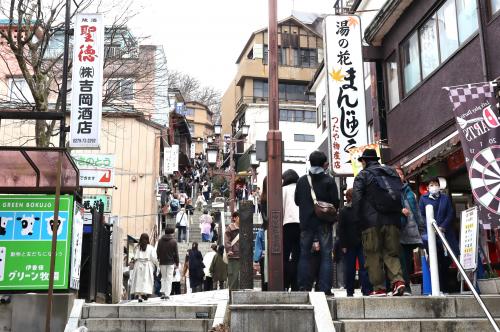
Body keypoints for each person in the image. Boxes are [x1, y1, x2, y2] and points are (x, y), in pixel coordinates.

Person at [352, 148, 405, 297]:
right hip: (393, 220)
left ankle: (379, 288)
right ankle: (398, 281)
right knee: (392, 253)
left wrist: (357, 222)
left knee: (373, 254)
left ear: (364, 161)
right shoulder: (391, 172)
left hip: (371, 223)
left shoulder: (363, 175)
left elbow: (356, 200)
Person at [295, 151, 339, 295]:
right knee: (326, 254)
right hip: (324, 223)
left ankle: (303, 287)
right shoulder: (329, 180)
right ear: (324, 164)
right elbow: (335, 203)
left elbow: (297, 201)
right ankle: (325, 288)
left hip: (306, 224)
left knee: (304, 254)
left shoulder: (302, 181)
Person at [419, 177, 459, 293]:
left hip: (444, 234)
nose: (434, 186)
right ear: (427, 187)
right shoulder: (423, 199)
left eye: (435, 184)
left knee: (446, 261)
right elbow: (421, 215)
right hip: (431, 236)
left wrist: (442, 227)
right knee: (435, 262)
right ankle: (438, 289)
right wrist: (430, 227)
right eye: (431, 184)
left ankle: (446, 288)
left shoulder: (445, 198)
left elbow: (450, 213)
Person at [338, 188, 372, 297]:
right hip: (360, 242)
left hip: (349, 244)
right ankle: (365, 290)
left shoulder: (343, 211)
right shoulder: (361, 209)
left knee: (350, 268)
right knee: (363, 267)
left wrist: (343, 245)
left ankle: (350, 291)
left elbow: (341, 229)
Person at [396, 167, 424, 295]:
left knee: (408, 260)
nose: (399, 176)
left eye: (401, 174)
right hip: (399, 229)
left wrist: (421, 225)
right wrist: (399, 210)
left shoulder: (409, 192)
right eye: (396, 174)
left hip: (411, 230)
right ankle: (405, 286)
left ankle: (407, 285)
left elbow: (416, 210)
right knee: (402, 260)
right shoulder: (391, 190)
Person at [282, 169, 300, 291]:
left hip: (287, 224)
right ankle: (295, 285)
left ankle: (284, 283)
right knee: (297, 257)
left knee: (284, 256)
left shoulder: (283, 190)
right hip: (301, 225)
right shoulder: (301, 188)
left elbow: (281, 208)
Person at [130, 233, 158, 302]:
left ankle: (139, 295)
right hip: (147, 265)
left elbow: (134, 257)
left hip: (138, 264)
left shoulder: (137, 247)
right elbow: (154, 258)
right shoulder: (151, 247)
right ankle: (145, 294)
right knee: (146, 280)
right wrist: (157, 264)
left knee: (138, 281)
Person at [156, 227, 179, 300]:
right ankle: (167, 293)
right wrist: (177, 263)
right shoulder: (173, 241)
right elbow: (176, 253)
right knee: (169, 277)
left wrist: (159, 258)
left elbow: (158, 252)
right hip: (170, 262)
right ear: (171, 233)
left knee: (163, 277)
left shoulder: (160, 241)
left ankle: (163, 292)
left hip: (162, 262)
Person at [225, 211, 241, 291]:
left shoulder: (244, 228)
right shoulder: (230, 228)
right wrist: (229, 250)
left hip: (242, 256)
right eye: (239, 217)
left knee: (241, 278)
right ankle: (232, 296)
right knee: (233, 277)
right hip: (233, 256)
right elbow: (227, 240)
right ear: (235, 218)